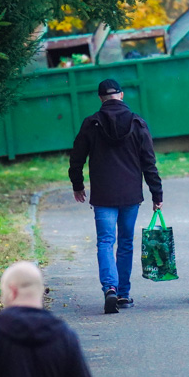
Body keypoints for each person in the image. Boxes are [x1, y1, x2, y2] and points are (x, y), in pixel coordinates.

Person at [69, 78, 163, 313]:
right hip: (131, 194)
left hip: (103, 195)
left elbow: (77, 158)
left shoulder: (91, 124)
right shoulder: (137, 122)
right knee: (125, 243)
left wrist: (78, 185)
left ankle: (109, 288)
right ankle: (123, 294)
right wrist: (156, 193)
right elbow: (149, 162)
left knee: (105, 241)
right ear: (121, 95)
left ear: (101, 98)